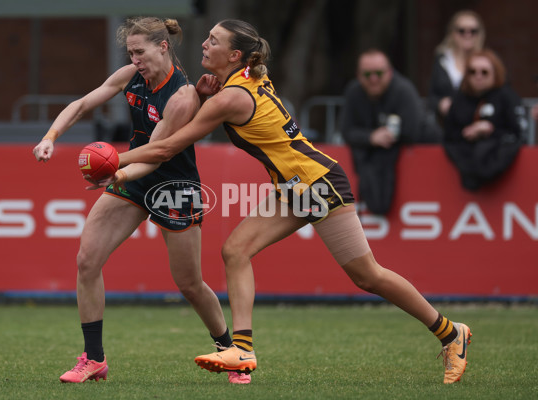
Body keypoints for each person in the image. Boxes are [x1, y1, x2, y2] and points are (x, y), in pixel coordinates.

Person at [95, 19, 472, 384]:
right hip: (294, 188)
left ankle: (450, 332)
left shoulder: (231, 96)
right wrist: (209, 94)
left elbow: (168, 146)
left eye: (214, 40)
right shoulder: (244, 78)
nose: (205, 44)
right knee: (235, 250)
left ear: (235, 56)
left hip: (318, 183)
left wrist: (113, 159)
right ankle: (242, 349)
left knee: (367, 275)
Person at [32, 17, 250, 385]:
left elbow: (156, 153)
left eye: (140, 52)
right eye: (130, 52)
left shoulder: (183, 96)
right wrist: (50, 136)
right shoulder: (131, 76)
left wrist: (114, 171)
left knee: (190, 284)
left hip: (173, 185)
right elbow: (84, 103)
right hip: (131, 179)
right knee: (87, 260)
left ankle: (232, 353)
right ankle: (94, 359)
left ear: (163, 47)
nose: (134, 59)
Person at [339, 49, 426, 215]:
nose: (373, 79)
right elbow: (346, 130)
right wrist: (371, 137)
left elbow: (414, 131)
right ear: (358, 75)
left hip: (414, 165)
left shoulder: (403, 90)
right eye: (367, 74)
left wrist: (389, 137)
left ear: (389, 72)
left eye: (379, 73)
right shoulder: (354, 92)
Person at [443, 48, 523, 191]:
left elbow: (518, 133)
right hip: (466, 168)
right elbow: (448, 135)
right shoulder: (459, 99)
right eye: (472, 72)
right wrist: (467, 133)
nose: (478, 76)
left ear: (495, 73)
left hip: (499, 170)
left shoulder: (506, 97)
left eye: (484, 72)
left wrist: (490, 131)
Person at [428, 10, 485, 124]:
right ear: (452, 33)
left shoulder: (486, 61)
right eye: (462, 31)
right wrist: (440, 104)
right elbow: (432, 96)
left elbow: (498, 93)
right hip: (448, 126)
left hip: (478, 123)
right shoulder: (442, 60)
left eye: (473, 31)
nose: (467, 35)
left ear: (480, 34)